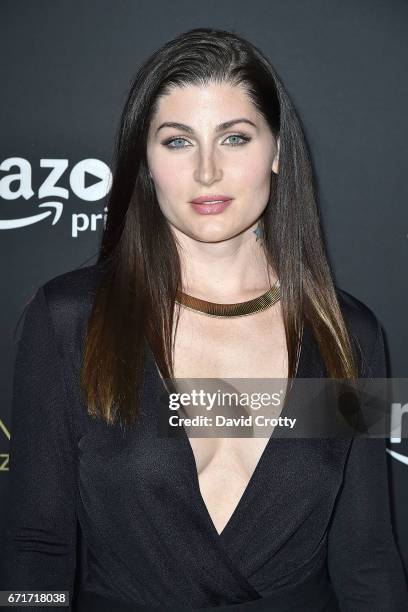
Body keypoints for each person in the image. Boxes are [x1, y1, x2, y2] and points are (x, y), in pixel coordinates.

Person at [1, 27, 407, 612]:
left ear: (275, 152)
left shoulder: (346, 334)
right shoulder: (70, 319)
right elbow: (35, 546)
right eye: (177, 141)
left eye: (235, 138)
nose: (208, 172)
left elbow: (366, 555)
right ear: (144, 159)